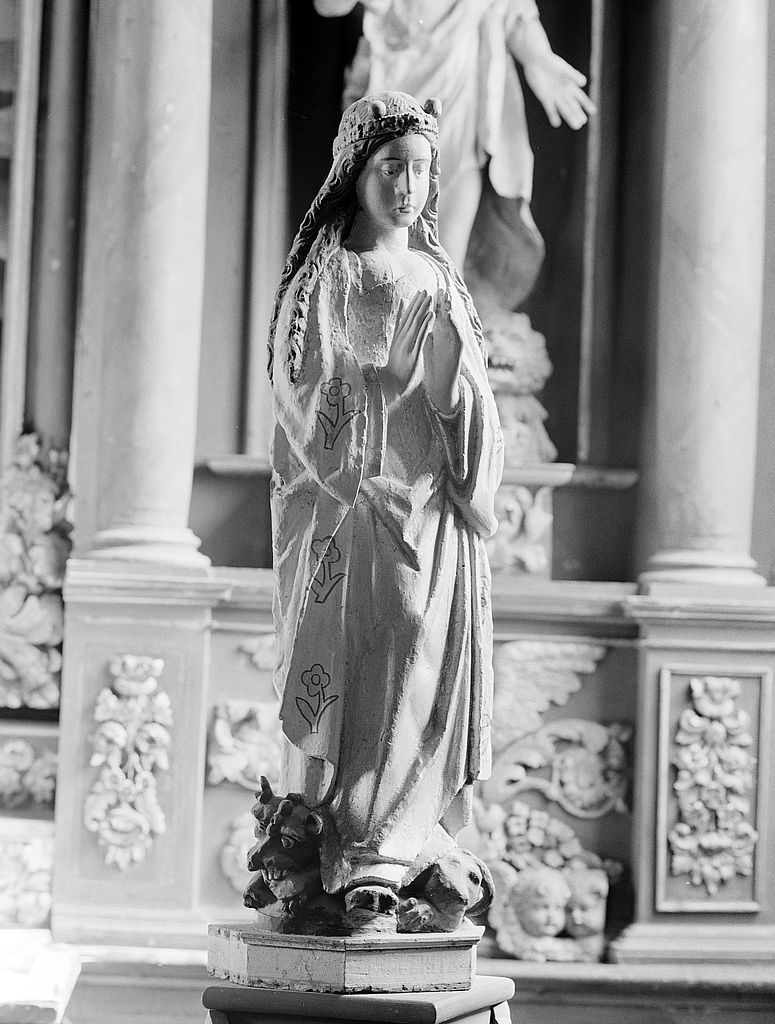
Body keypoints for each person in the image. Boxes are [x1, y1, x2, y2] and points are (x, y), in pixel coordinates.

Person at [268, 91, 504, 918]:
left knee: (419, 652)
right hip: (356, 515)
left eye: (420, 170)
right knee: (370, 655)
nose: (408, 185)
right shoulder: (326, 279)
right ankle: (344, 833)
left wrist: (444, 393)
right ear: (355, 175)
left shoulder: (438, 279)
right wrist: (382, 386)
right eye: (390, 168)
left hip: (433, 516)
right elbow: (301, 405)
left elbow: (474, 401)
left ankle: (401, 836)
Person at [314, 0, 595, 310]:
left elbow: (514, 12)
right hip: (397, 117)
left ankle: (446, 335)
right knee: (383, 250)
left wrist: (538, 59)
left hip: (459, 123)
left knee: (446, 259)